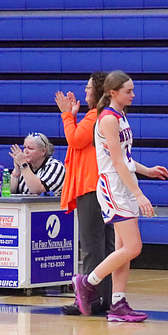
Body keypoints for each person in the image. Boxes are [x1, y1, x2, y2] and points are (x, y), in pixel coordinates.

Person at [72, 70, 168, 323]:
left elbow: (124, 158)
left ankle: (118, 303)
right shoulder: (107, 119)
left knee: (122, 248)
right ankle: (87, 282)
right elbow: (116, 162)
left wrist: (147, 170)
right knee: (133, 247)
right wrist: (139, 194)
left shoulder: (120, 115)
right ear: (113, 92)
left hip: (124, 184)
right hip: (113, 187)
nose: (133, 95)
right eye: (128, 91)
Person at [55, 71, 115, 315]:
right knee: (106, 247)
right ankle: (105, 298)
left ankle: (89, 299)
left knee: (92, 247)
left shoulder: (95, 115)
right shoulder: (103, 115)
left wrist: (66, 115)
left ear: (98, 91)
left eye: (89, 87)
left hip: (91, 187)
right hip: (102, 187)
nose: (85, 91)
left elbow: (75, 140)